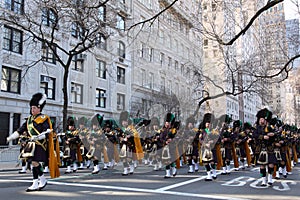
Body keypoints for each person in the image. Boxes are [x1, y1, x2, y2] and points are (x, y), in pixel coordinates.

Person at [7, 93, 60, 192]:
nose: (32, 110)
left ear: (39, 108)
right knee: (33, 163)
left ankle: (38, 181)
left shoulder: (44, 118)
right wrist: (10, 137)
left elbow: (47, 131)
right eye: (32, 108)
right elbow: (20, 130)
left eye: (34, 108)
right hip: (31, 145)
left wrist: (39, 137)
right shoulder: (29, 120)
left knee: (34, 162)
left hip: (40, 144)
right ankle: (39, 180)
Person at [253, 108, 277, 186]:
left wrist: (273, 135)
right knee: (262, 166)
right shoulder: (257, 128)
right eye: (260, 119)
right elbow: (255, 135)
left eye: (262, 119)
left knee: (271, 165)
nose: (261, 120)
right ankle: (263, 179)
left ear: (266, 120)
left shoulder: (271, 127)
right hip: (260, 148)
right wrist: (262, 137)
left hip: (269, 148)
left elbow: (276, 135)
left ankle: (270, 178)